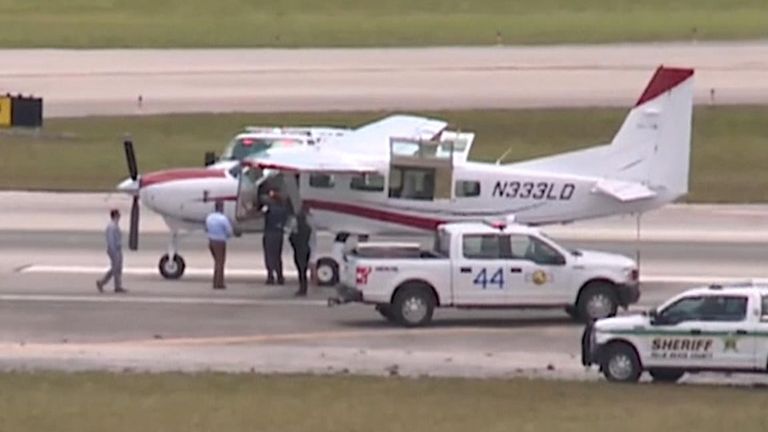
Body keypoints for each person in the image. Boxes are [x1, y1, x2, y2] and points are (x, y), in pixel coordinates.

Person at [287, 204, 316, 296]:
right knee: (303, 270)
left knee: (301, 270)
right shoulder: (308, 228)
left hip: (299, 250)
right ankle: (304, 287)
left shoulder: (296, 229)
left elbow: (291, 238)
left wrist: (294, 245)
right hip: (306, 249)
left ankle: (302, 288)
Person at [262, 188, 289, 284]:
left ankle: (270, 276)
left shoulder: (268, 208)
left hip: (270, 233)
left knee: (269, 256)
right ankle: (280, 276)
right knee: (277, 255)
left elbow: (260, 213)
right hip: (279, 233)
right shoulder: (284, 209)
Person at [96, 209, 127, 293]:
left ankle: (117, 285)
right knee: (115, 268)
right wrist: (113, 251)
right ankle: (102, 282)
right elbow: (111, 240)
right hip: (114, 250)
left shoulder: (114, 226)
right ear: (115, 216)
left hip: (117, 249)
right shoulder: (112, 227)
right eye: (118, 215)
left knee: (117, 268)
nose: (119, 217)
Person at [205, 200, 233, 289]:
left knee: (217, 262)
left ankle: (215, 281)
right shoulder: (223, 219)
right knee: (220, 263)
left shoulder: (209, 217)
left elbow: (206, 228)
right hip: (220, 242)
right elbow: (229, 231)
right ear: (221, 207)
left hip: (211, 241)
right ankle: (219, 283)